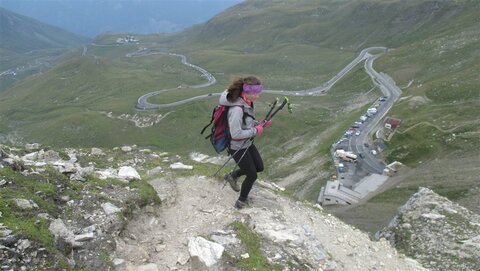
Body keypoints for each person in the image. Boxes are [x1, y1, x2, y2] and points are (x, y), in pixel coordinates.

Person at [218, 76, 272, 209]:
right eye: (256, 93)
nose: (258, 96)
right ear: (248, 92)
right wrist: (255, 131)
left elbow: (246, 122)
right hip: (236, 146)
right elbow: (235, 134)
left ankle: (232, 175)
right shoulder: (237, 109)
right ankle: (241, 201)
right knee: (252, 174)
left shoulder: (247, 102)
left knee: (259, 167)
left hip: (246, 143)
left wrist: (258, 125)